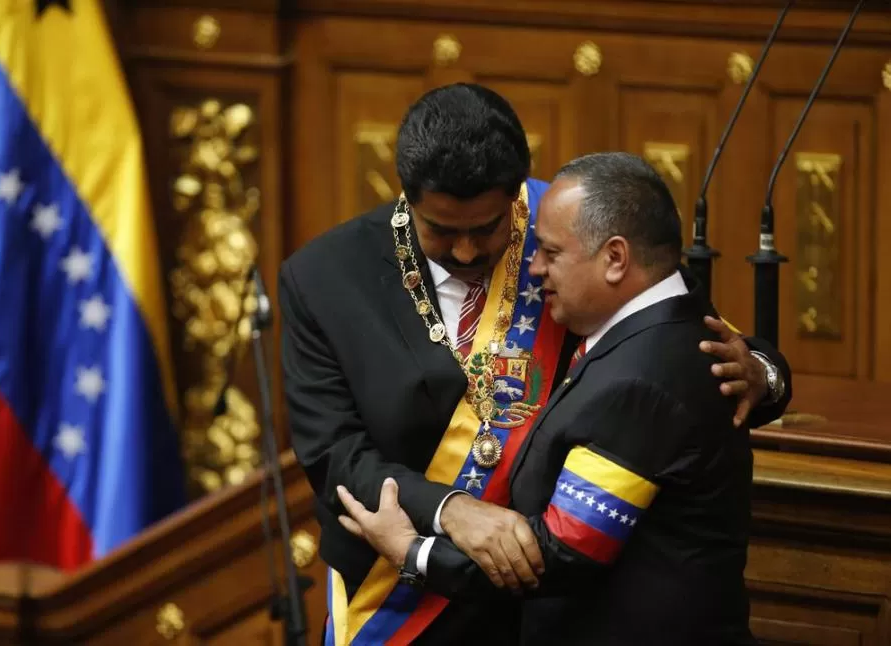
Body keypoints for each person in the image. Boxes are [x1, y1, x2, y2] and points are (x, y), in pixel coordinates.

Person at [279, 84, 790, 645]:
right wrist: (451, 510)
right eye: (443, 232)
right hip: (402, 597)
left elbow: (677, 330)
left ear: (515, 194)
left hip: (548, 592)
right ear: (408, 197)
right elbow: (336, 454)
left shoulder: (568, 228)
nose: (469, 251)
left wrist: (763, 373)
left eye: (487, 228)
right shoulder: (323, 278)